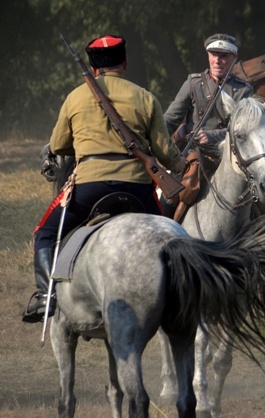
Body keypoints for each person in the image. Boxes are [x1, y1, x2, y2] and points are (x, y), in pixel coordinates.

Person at [21, 35, 188, 323]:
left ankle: (47, 296)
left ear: (94, 67)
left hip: (89, 188)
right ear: (124, 62)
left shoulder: (75, 97)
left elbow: (59, 145)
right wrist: (184, 162)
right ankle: (179, 295)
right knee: (171, 238)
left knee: (45, 234)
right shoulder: (145, 97)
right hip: (138, 188)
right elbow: (165, 154)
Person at [164, 33, 254, 153]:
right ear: (208, 55)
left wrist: (212, 136)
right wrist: (151, 141)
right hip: (194, 151)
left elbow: (244, 128)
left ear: (234, 58)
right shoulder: (193, 83)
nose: (217, 61)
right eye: (213, 54)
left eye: (224, 56)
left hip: (230, 152)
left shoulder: (244, 90)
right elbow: (170, 119)